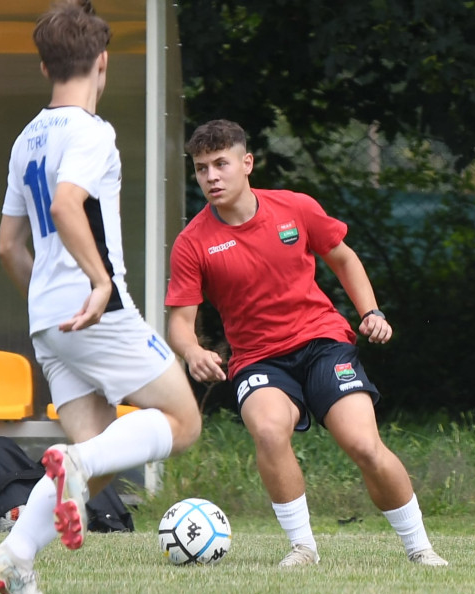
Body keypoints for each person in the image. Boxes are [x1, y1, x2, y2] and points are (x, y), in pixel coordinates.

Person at [0, 0, 201, 594]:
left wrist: (49, 304)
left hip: (48, 322)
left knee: (95, 461)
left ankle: (15, 555)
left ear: (44, 66)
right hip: (96, 309)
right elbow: (65, 204)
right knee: (183, 423)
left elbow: (7, 246)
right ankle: (67, 471)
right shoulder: (92, 132)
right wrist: (100, 285)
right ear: (103, 62)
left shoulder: (26, 138)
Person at [166, 119, 449, 568]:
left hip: (323, 342)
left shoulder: (294, 208)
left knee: (363, 444)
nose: (212, 177)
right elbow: (180, 321)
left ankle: (420, 548)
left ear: (247, 163)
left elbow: (343, 257)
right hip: (259, 360)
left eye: (221, 164)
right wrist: (193, 351)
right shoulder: (193, 242)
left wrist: (371, 312)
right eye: (201, 169)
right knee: (269, 428)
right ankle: (303, 548)